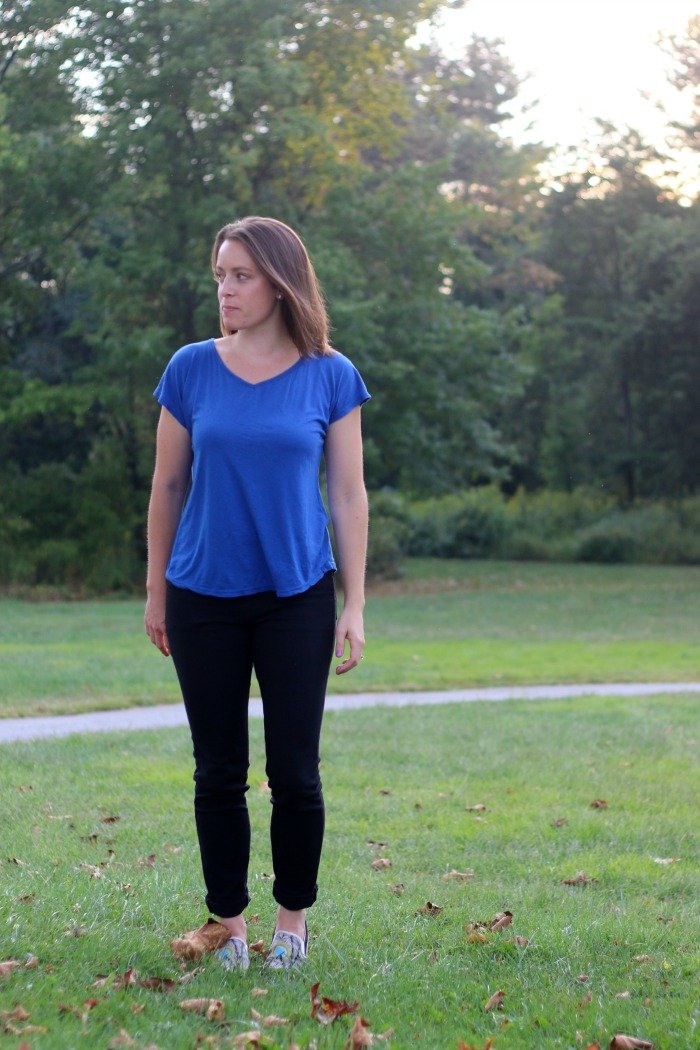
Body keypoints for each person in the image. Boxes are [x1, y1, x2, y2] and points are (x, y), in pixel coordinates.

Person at [144, 216, 370, 971]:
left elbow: (347, 493)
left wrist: (356, 603)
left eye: (241, 275)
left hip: (297, 593)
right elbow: (168, 483)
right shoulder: (190, 369)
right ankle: (230, 925)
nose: (227, 290)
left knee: (296, 772)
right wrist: (154, 591)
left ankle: (291, 923)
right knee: (217, 771)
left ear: (280, 280)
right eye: (220, 276)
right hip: (201, 594)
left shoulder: (330, 374)